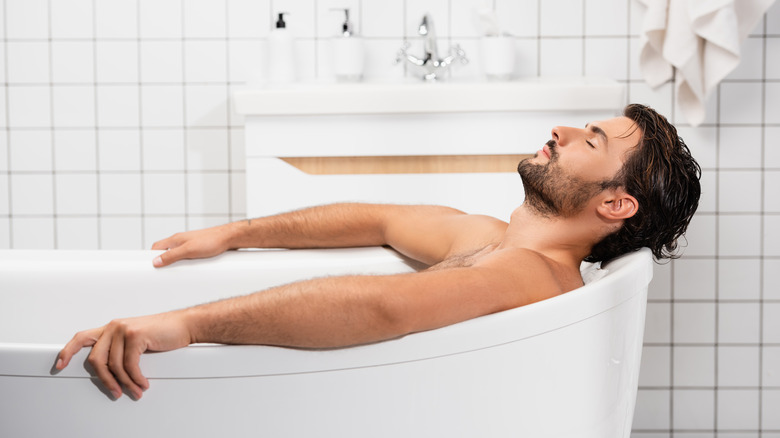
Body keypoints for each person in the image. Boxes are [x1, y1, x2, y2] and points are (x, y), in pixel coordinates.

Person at [56, 104, 701, 400]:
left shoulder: (529, 277)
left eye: (591, 139)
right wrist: (233, 234)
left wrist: (185, 325)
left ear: (616, 204)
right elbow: (381, 221)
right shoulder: (490, 241)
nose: (559, 129)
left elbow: (384, 307)